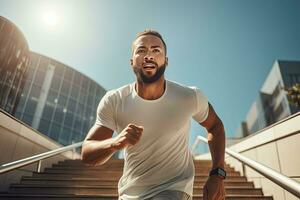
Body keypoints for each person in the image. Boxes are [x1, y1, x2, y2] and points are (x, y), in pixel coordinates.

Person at [81, 30, 226, 200]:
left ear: (166, 60)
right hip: (129, 194)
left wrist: (217, 174)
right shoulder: (115, 100)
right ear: (131, 61)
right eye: (141, 50)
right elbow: (87, 153)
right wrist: (115, 142)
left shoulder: (189, 97)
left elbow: (215, 126)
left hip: (174, 189)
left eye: (156, 50)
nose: (149, 55)